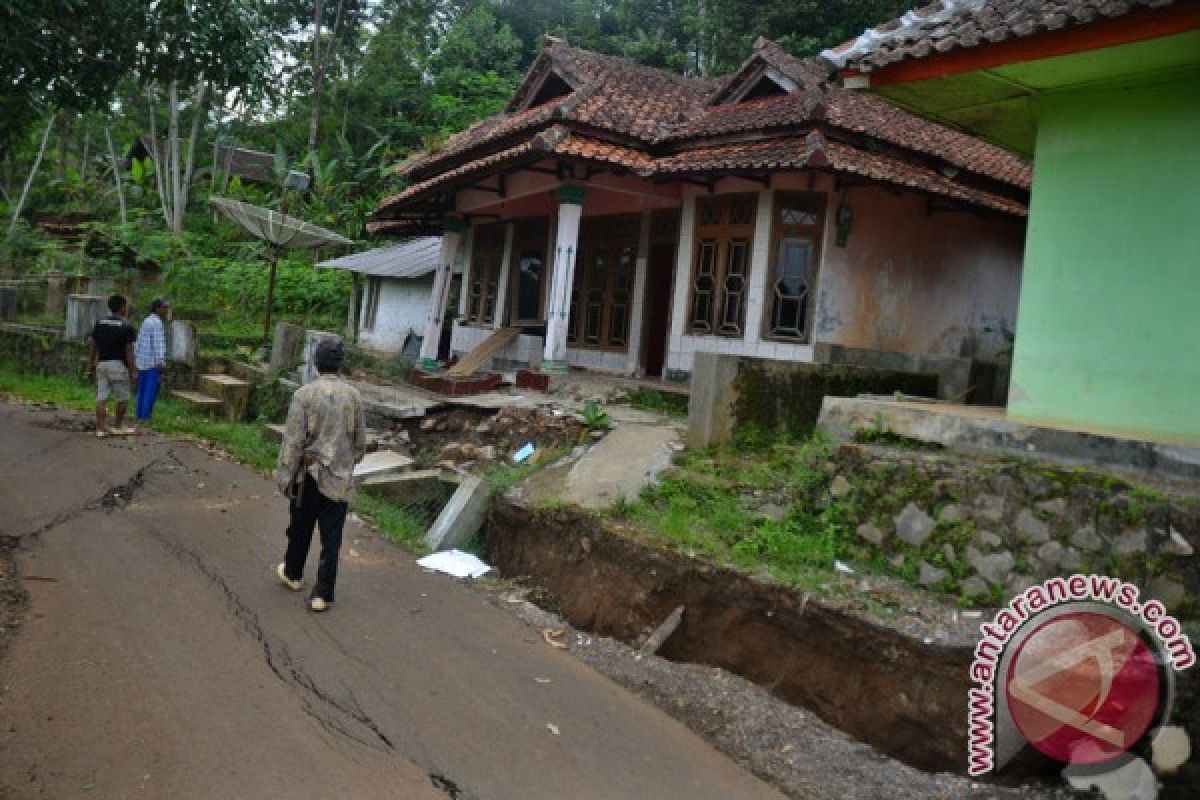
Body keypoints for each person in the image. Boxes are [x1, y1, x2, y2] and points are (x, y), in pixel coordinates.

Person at [273, 340, 366, 612]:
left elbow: (292, 442)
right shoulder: (354, 396)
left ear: (316, 363)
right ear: (340, 365)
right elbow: (360, 442)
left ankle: (293, 574)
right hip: (339, 477)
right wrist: (346, 463)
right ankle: (322, 595)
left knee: (300, 528)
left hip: (309, 475)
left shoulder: (304, 395)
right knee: (332, 538)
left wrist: (285, 477)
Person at [88, 294, 137, 438]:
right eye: (126, 306)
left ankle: (100, 428)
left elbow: (93, 345)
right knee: (122, 398)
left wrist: (91, 363)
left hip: (102, 364)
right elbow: (129, 350)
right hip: (119, 366)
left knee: (101, 397)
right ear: (122, 307)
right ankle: (118, 425)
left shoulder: (99, 323)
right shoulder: (127, 325)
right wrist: (133, 371)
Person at [134, 298, 169, 425]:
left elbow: (138, 341)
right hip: (152, 363)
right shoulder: (156, 323)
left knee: (142, 389)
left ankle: (138, 414)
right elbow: (158, 344)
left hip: (142, 361)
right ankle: (145, 416)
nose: (166, 311)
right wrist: (161, 362)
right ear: (157, 309)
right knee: (150, 390)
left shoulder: (146, 320)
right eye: (164, 308)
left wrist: (135, 357)